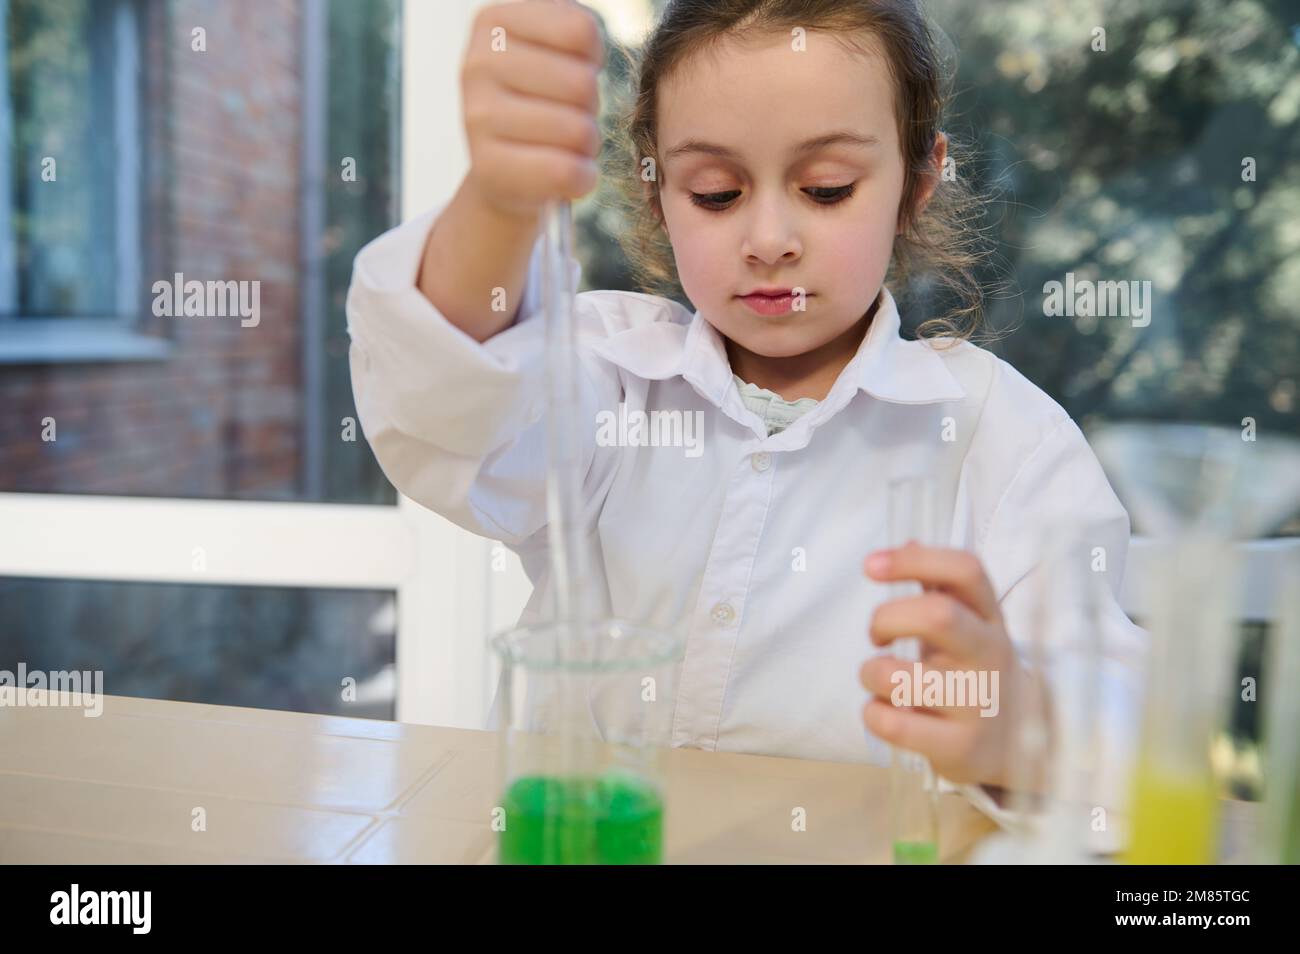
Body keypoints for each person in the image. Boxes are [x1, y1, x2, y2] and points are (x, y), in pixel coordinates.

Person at [346, 0, 1145, 829]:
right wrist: (502, 205)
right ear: (657, 195)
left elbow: (1126, 728)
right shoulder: (608, 377)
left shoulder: (1002, 441)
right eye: (716, 193)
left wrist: (1021, 731)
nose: (769, 239)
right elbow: (445, 406)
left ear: (916, 184)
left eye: (827, 189)